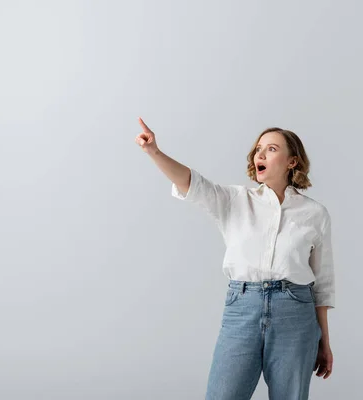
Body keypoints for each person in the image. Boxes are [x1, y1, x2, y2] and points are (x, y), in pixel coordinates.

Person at [135, 117, 335, 400]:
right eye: (258, 149)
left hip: (296, 312)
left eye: (272, 149)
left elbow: (323, 283)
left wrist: (324, 341)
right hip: (243, 308)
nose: (260, 155)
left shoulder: (315, 214)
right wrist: (155, 151)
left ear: (292, 162)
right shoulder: (234, 200)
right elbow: (192, 183)